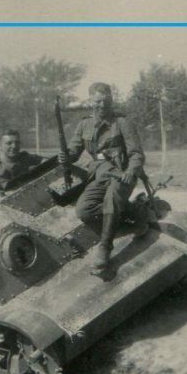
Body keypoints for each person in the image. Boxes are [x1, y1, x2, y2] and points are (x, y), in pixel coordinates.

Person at [58, 82, 148, 275]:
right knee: (84, 210)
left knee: (112, 198)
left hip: (122, 175)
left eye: (106, 101)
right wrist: (65, 156)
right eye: (98, 101)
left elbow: (136, 154)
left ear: (111, 100)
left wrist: (131, 171)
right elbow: (73, 152)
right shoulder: (84, 125)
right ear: (91, 101)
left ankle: (105, 247)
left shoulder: (122, 123)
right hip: (101, 175)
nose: (102, 105)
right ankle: (134, 211)